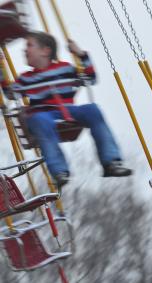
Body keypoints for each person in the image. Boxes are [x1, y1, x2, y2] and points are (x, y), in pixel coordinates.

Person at [1, 31, 132, 187]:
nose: (25, 50)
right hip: (44, 115)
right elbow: (10, 94)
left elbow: (90, 78)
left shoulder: (65, 69)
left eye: (29, 45)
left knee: (93, 109)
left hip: (67, 111)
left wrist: (81, 55)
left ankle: (111, 162)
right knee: (39, 119)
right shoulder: (25, 78)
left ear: (45, 51)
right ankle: (59, 171)